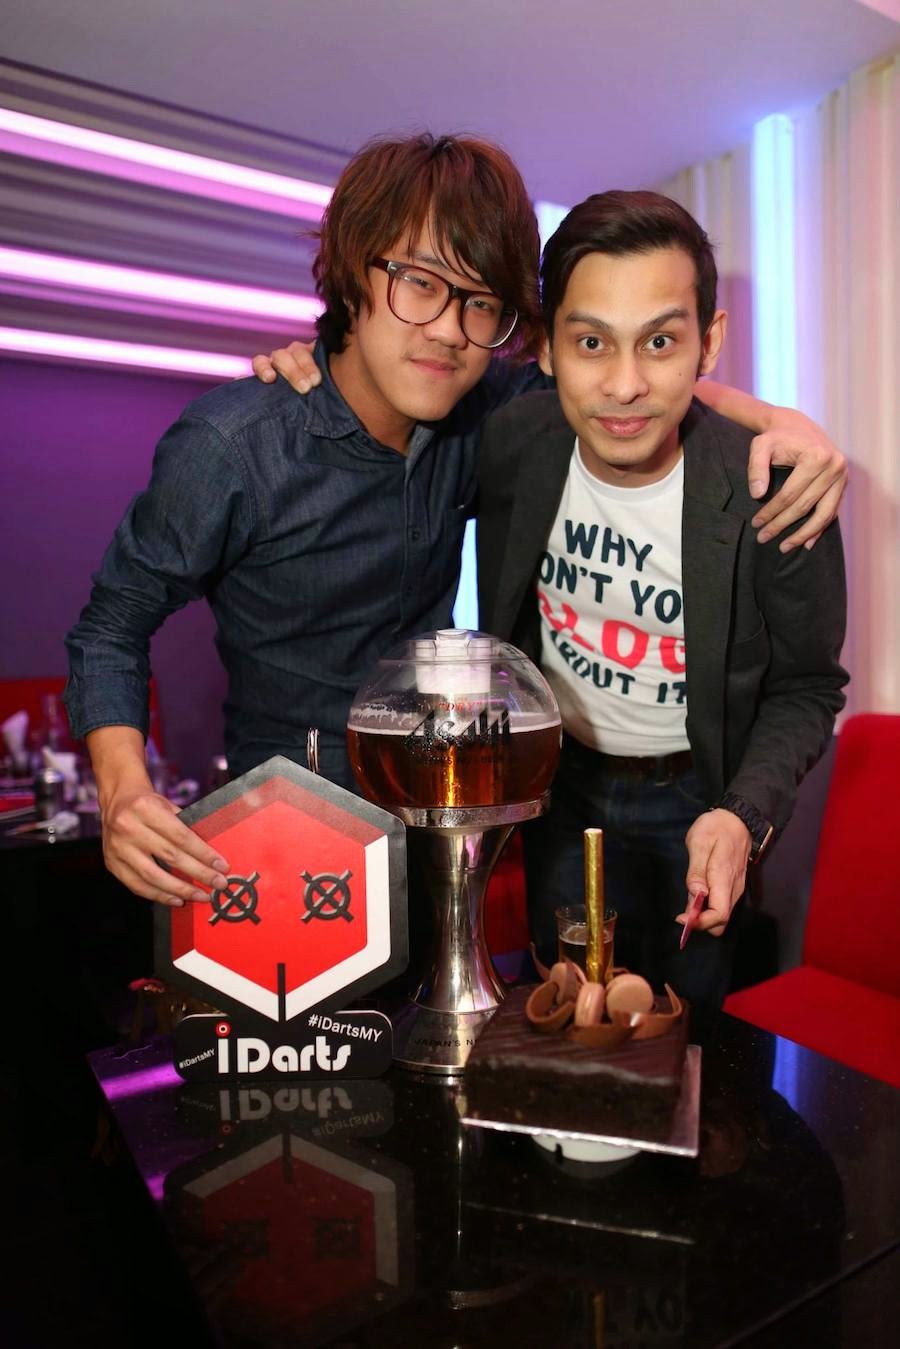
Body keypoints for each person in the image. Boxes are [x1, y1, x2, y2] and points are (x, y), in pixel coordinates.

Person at [65, 132, 846, 912]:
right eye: (418, 283)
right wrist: (124, 786)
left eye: (480, 302)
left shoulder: (483, 415)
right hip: (287, 840)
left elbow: (619, 381)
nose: (448, 328)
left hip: (439, 829)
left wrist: (781, 420)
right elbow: (112, 623)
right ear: (354, 272)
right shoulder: (234, 446)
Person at [474, 191, 848, 1007]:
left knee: (688, 1034)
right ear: (547, 347)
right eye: (591, 342)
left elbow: (809, 688)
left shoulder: (779, 491)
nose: (625, 384)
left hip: (701, 793)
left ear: (708, 342)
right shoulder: (511, 443)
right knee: (566, 1014)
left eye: (660, 341)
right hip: (560, 783)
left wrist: (742, 815)